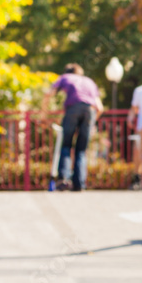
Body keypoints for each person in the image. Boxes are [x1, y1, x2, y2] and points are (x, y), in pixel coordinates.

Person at [42, 63, 104, 191]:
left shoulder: (65, 77)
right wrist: (91, 123)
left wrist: (44, 114)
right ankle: (79, 184)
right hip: (89, 111)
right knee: (81, 149)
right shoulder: (89, 81)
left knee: (66, 145)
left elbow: (48, 94)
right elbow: (100, 108)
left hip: (73, 110)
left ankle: (63, 180)